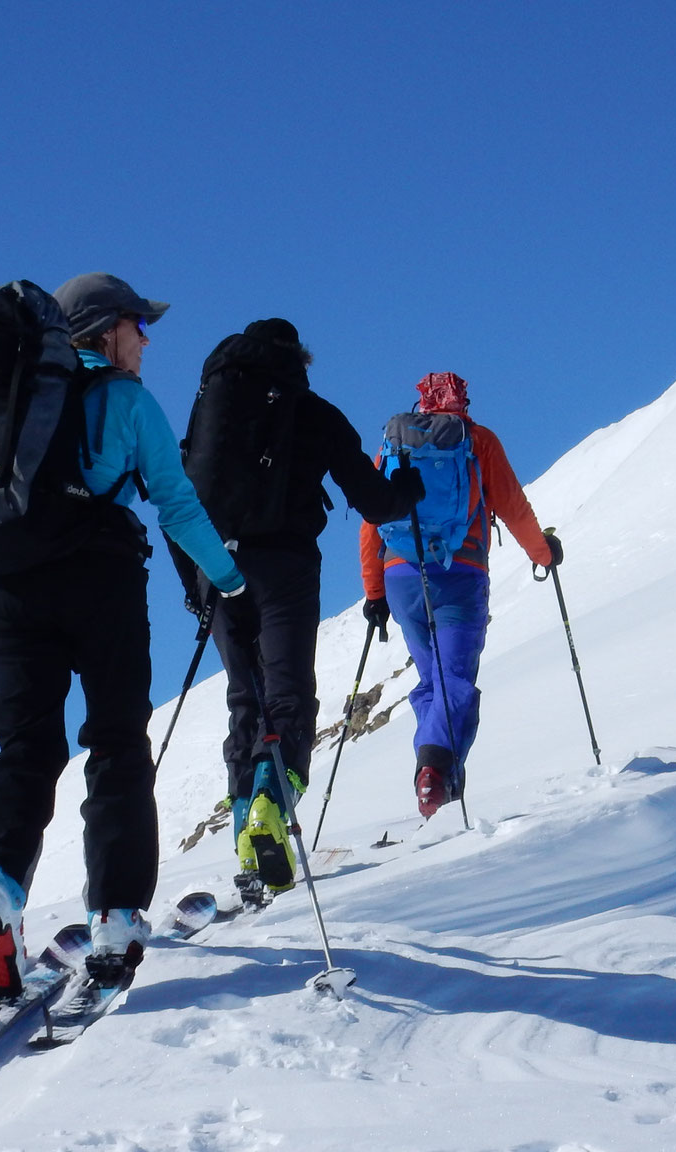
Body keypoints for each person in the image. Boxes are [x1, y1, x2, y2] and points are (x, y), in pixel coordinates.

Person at [0, 272, 246, 995]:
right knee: (116, 740)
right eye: (136, 325)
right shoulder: (127, 401)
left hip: (12, 588)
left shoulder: (14, 402)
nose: (146, 340)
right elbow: (177, 505)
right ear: (102, 331)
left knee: (24, 748)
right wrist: (229, 578)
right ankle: (116, 916)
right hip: (101, 582)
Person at [181, 318, 422, 901]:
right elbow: (372, 500)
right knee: (288, 694)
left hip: (214, 566)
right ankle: (271, 799)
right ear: (300, 360)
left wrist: (197, 585)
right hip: (284, 568)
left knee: (245, 696)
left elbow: (183, 488)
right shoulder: (314, 413)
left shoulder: (213, 407)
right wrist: (407, 488)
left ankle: (246, 834)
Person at [359, 371, 560, 818]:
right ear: (461, 400)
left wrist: (374, 593)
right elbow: (512, 504)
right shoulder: (477, 440)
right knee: (455, 679)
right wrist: (543, 553)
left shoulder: (396, 444)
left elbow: (371, 521)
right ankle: (434, 772)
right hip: (459, 573)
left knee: (434, 681)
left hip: (401, 577)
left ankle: (438, 778)